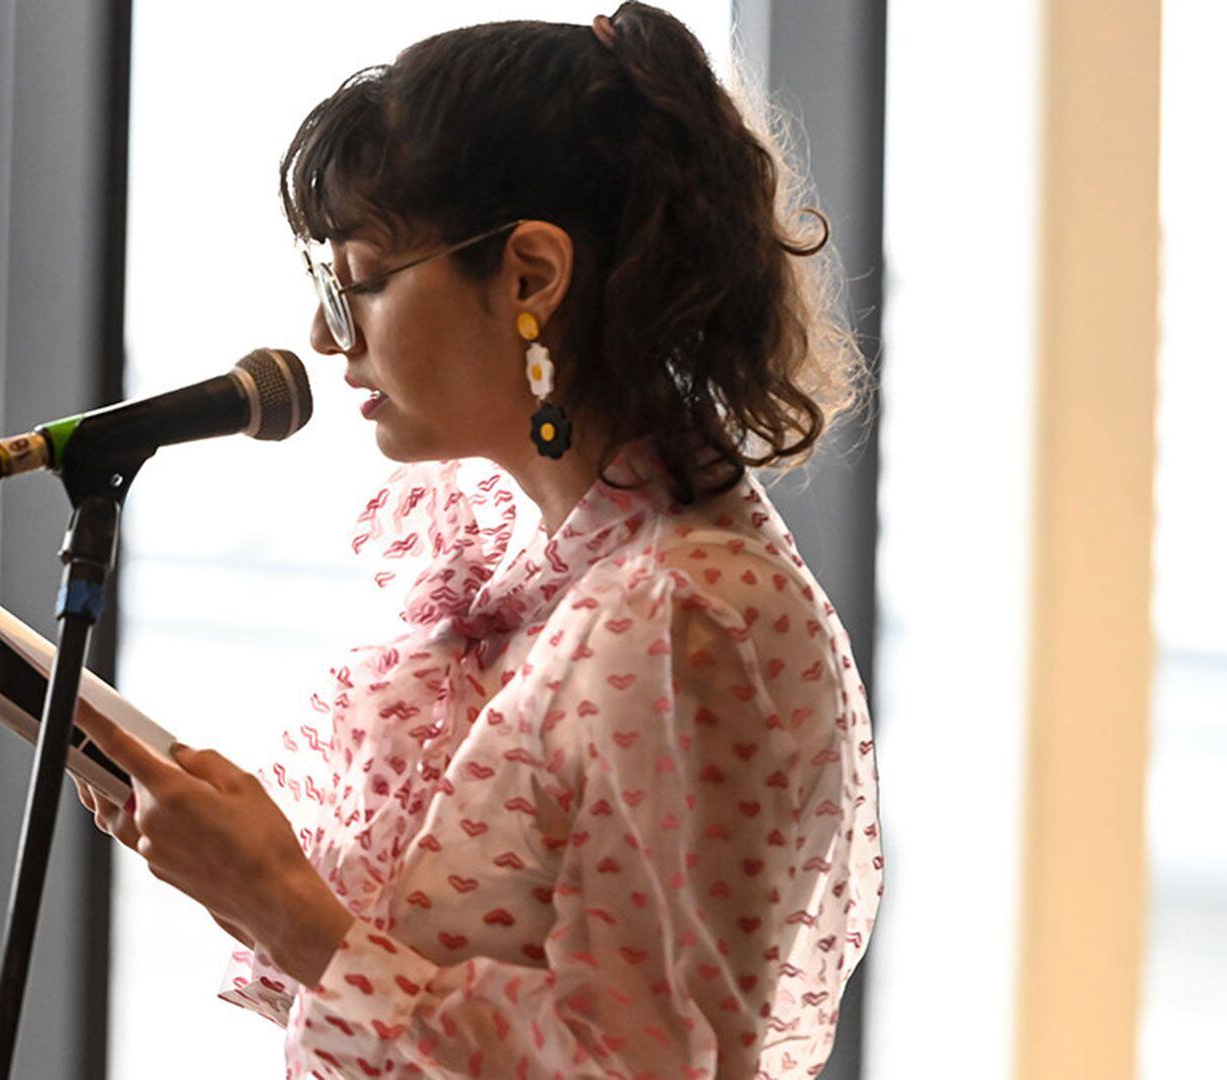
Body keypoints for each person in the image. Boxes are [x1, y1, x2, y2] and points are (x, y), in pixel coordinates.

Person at [73, 6, 884, 1077]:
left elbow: (636, 1067)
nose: (323, 335)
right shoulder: (572, 580)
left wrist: (282, 908)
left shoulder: (681, 615)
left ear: (531, 275)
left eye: (359, 281)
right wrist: (248, 874)